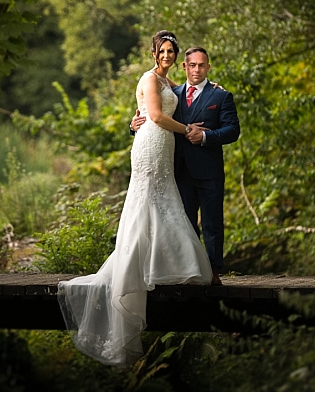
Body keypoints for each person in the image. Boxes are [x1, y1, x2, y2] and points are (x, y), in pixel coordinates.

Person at [57, 30, 213, 367]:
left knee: (162, 201)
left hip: (160, 145)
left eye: (173, 52)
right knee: (150, 201)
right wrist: (183, 130)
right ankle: (140, 269)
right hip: (152, 145)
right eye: (165, 51)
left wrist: (137, 122)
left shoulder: (169, 83)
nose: (169, 56)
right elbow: (154, 116)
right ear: (154, 51)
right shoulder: (150, 77)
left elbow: (144, 113)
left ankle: (162, 264)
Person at [130, 44, 240, 286]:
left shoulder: (221, 95)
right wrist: (134, 124)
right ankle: (188, 269)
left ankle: (213, 272)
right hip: (178, 168)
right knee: (185, 222)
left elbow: (233, 131)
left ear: (208, 67)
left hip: (209, 169)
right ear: (184, 67)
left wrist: (205, 137)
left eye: (201, 65)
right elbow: (153, 113)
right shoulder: (174, 92)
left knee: (212, 223)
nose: (196, 70)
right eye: (192, 65)